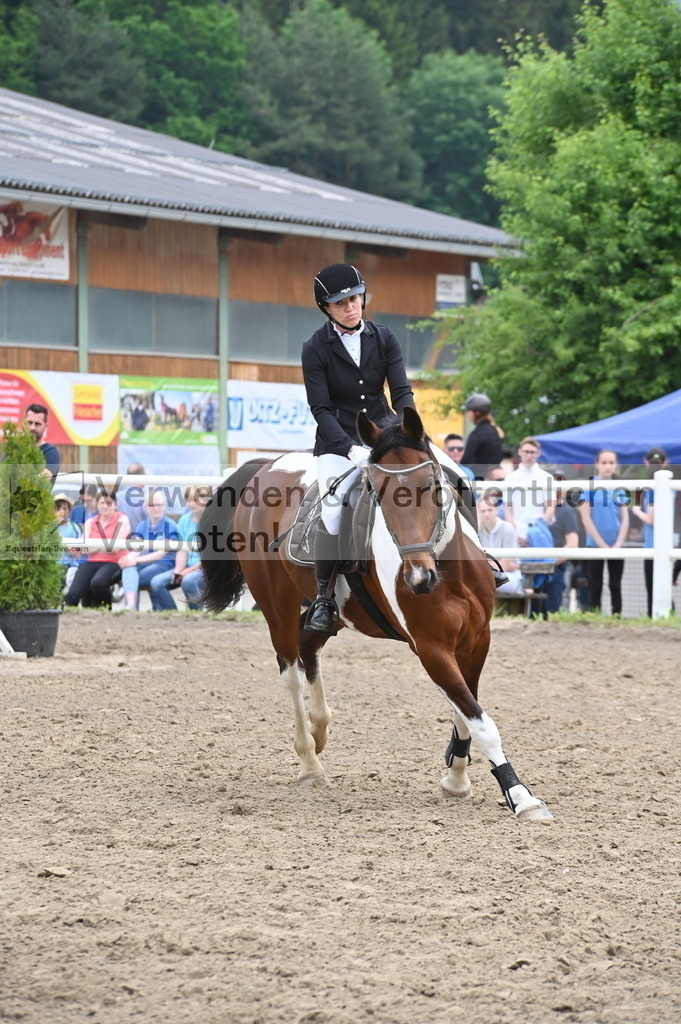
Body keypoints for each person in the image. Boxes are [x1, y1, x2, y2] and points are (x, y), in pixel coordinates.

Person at [301, 263, 418, 635]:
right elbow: (321, 409)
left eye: (355, 299)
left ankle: (478, 562)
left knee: (455, 478)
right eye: (342, 303)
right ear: (326, 308)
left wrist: (410, 430)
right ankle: (323, 599)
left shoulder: (384, 337)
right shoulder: (315, 349)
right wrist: (351, 449)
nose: (352, 307)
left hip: (387, 434)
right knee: (333, 511)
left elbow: (400, 392)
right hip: (339, 445)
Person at [579, 449, 629, 616]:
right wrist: (600, 543)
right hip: (594, 545)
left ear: (616, 465)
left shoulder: (619, 488)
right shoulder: (589, 486)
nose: (608, 466)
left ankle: (617, 616)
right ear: (597, 464)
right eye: (604, 462)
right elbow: (585, 518)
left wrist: (618, 543)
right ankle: (594, 616)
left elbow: (625, 518)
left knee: (615, 585)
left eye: (611, 463)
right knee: (595, 584)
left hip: (617, 545)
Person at [64, 490, 130, 608]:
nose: (105, 506)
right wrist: (104, 545)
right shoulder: (91, 522)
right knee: (74, 592)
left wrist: (93, 545)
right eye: (102, 503)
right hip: (92, 561)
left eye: (109, 503)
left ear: (115, 504)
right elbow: (84, 549)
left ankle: (105, 610)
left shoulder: (122, 519)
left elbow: (115, 547)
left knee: (98, 583)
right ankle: (68, 617)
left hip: (114, 562)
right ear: (97, 504)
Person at [149, 486, 209, 611]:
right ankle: (174, 615)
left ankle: (198, 616)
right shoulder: (184, 520)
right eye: (188, 500)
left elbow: (208, 558)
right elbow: (182, 550)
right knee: (156, 583)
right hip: (188, 568)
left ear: (205, 500)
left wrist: (186, 572)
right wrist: (177, 571)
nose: (191, 504)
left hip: (207, 569)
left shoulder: (212, 522)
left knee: (188, 581)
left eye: (195, 500)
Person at [632, 447, 675, 618]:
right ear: (665, 463)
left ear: (646, 462)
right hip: (667, 543)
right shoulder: (669, 488)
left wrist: (636, 511)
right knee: (664, 587)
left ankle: (656, 619)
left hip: (652, 544)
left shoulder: (651, 488)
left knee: (652, 588)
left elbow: (651, 519)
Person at [118, 492, 180, 610]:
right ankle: (131, 607)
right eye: (152, 505)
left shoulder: (170, 525)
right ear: (145, 507)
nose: (156, 508)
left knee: (132, 578)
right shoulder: (142, 525)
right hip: (147, 563)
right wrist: (127, 559)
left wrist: (135, 561)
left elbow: (161, 553)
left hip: (164, 564)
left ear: (164, 506)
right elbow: (137, 548)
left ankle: (131, 608)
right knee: (129, 569)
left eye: (159, 505)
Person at [504, 437, 555, 544]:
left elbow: (550, 507)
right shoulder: (510, 478)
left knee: (541, 560)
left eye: (532, 452)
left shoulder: (547, 477)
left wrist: (539, 529)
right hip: (517, 529)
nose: (529, 455)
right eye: (526, 452)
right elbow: (508, 509)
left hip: (539, 529)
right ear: (520, 452)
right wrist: (514, 531)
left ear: (538, 454)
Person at [543, 472, 579, 613]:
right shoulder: (539, 507)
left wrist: (550, 561)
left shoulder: (567, 511)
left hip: (558, 568)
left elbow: (572, 543)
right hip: (536, 567)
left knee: (556, 607)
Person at [477, 497, 524, 595]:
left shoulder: (508, 529)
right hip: (485, 575)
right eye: (483, 511)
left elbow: (505, 567)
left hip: (510, 576)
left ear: (497, 510)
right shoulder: (477, 531)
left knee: (484, 582)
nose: (486, 514)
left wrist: (485, 565)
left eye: (490, 510)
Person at [461, 393, 504, 479]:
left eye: (469, 411)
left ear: (477, 413)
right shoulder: (494, 430)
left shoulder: (479, 433)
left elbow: (465, 460)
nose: (467, 414)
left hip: (479, 478)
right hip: (491, 476)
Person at [24, 403, 60, 484]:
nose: (32, 428)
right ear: (24, 423)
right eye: (29, 422)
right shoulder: (14, 449)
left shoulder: (50, 453)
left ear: (45, 426)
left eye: (37, 424)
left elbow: (42, 480)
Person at [53, 492, 83, 592]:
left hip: (68, 566)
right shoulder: (47, 528)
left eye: (65, 509)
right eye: (58, 508)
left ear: (69, 511)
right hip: (51, 565)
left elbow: (78, 554)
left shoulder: (74, 528)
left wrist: (65, 546)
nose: (61, 512)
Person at [117, 463, 148, 531]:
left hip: (120, 540)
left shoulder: (117, 497)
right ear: (143, 477)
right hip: (141, 539)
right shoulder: (147, 498)